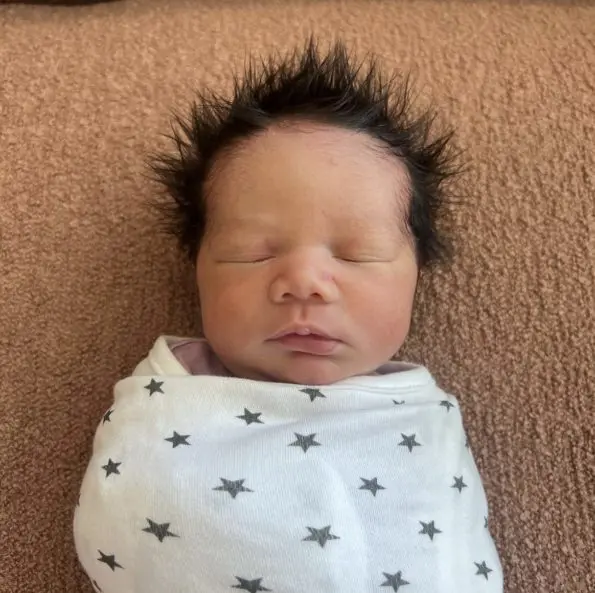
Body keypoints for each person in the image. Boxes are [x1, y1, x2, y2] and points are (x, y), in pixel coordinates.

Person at [73, 37, 503, 593]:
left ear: (418, 273)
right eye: (253, 253)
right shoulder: (165, 401)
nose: (304, 282)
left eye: (358, 253)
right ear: (197, 269)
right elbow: (126, 519)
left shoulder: (421, 417)